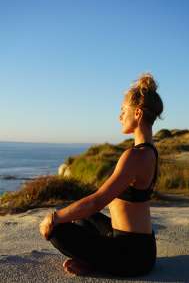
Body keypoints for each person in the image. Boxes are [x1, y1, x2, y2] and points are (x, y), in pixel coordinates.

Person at [39, 73, 164, 277]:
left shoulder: (134, 155)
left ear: (138, 113)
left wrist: (54, 217)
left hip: (133, 256)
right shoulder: (149, 151)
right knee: (82, 218)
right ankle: (97, 262)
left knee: (57, 230)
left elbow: (97, 201)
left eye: (124, 111)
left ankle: (98, 266)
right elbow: (91, 209)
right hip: (139, 246)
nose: (120, 116)